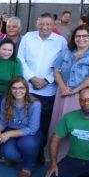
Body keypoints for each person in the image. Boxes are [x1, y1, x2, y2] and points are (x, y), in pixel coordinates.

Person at [49, 24, 89, 158]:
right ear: (74, 38)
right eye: (78, 36)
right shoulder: (66, 53)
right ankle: (55, 157)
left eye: (85, 36)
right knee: (59, 124)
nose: (81, 39)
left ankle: (75, 157)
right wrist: (62, 86)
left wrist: (75, 90)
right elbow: (56, 70)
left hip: (83, 95)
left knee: (78, 126)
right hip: (63, 93)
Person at [17, 13, 67, 150]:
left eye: (48, 24)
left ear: (53, 25)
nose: (45, 27)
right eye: (42, 24)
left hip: (48, 91)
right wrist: (31, 78)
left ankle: (39, 151)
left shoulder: (61, 41)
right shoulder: (28, 37)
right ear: (37, 24)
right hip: (28, 88)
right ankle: (22, 149)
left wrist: (47, 80)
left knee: (44, 123)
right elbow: (20, 59)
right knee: (24, 120)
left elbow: (63, 64)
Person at [0, 77, 42, 177]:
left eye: (21, 88)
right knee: (9, 153)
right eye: (14, 88)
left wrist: (8, 134)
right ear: (10, 89)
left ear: (26, 89)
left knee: (26, 144)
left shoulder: (35, 104)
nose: (18, 91)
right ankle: (15, 155)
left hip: (29, 133)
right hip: (12, 130)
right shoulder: (6, 101)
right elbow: (3, 121)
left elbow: (32, 129)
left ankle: (27, 167)